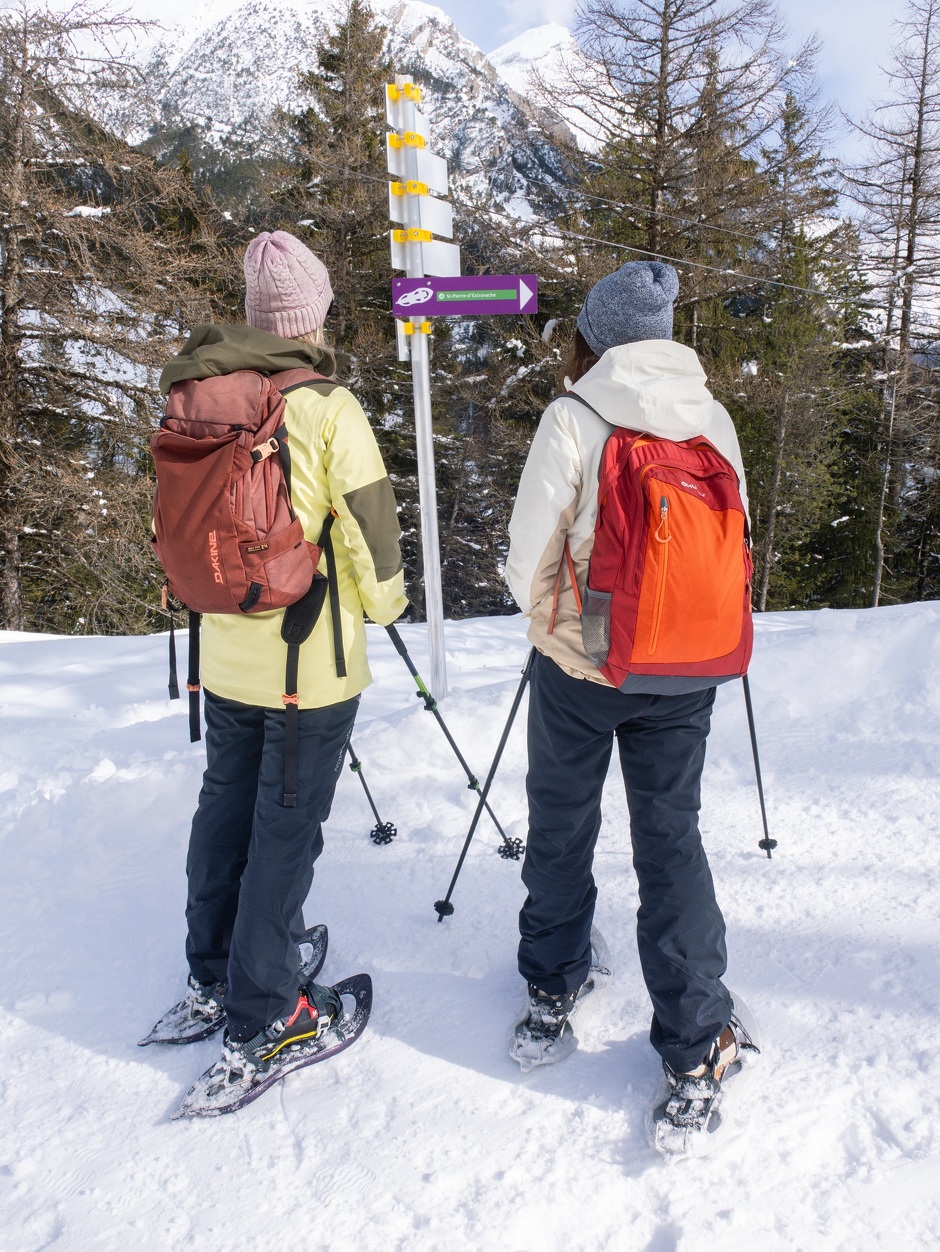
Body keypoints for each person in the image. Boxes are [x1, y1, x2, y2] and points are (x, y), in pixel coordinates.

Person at [504, 260, 758, 1152]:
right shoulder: (712, 416)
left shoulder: (576, 414)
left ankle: (553, 981)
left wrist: (549, 632)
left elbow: (527, 549)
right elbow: (738, 544)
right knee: (671, 839)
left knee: (562, 822)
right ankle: (694, 1043)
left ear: (597, 334)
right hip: (686, 671)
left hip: (586, 669)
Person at [148, 231, 407, 1077]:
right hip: (309, 672)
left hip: (223, 659)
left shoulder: (204, 393)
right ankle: (269, 1013)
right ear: (313, 318)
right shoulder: (327, 406)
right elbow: (370, 534)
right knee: (285, 831)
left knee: (225, 811)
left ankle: (215, 972)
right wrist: (388, 606)